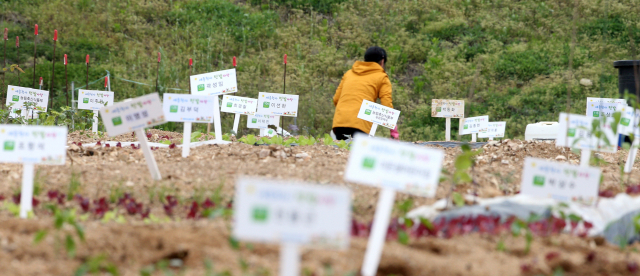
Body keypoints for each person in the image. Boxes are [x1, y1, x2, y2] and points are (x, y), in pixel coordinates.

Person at [332, 46, 399, 140]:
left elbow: (336, 100)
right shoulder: (382, 77)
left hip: (339, 124)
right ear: (382, 61)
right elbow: (387, 105)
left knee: (341, 152)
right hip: (361, 126)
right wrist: (394, 132)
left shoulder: (349, 73)